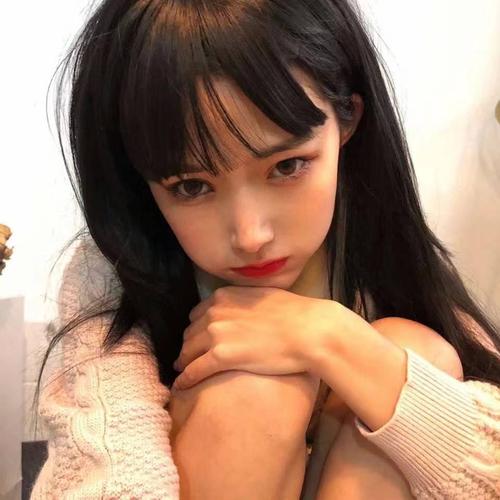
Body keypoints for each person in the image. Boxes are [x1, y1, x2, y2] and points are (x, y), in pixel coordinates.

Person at [30, 0, 500, 498]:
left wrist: (331, 337)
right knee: (254, 384)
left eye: (287, 166)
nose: (250, 235)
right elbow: (108, 476)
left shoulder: (380, 252)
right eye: (191, 186)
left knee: (415, 355)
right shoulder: (111, 275)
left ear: (347, 121)